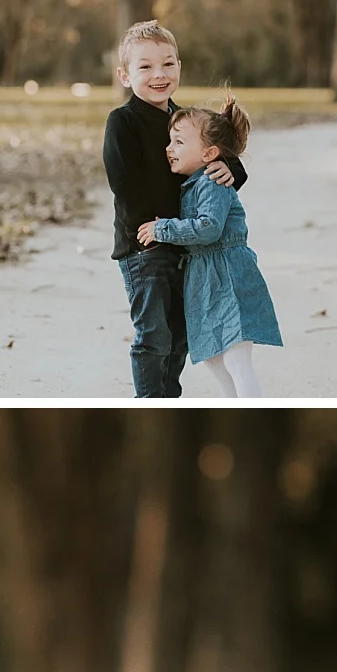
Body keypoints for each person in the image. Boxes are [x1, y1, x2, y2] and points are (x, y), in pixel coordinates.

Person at [102, 20, 244, 401]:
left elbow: (222, 156)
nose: (159, 74)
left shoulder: (188, 122)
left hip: (186, 245)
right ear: (125, 75)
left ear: (179, 67)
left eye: (167, 64)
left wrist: (230, 169)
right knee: (155, 334)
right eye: (145, 67)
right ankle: (150, 400)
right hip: (145, 247)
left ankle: (168, 397)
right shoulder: (123, 122)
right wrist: (150, 232)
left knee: (181, 333)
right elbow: (124, 183)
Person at [137, 95, 283, 397]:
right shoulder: (195, 181)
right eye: (170, 141)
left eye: (178, 142)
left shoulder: (213, 180)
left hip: (228, 276)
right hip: (205, 279)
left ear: (209, 153)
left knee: (235, 356)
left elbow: (209, 228)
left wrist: (162, 228)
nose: (168, 148)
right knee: (215, 358)